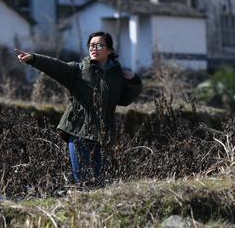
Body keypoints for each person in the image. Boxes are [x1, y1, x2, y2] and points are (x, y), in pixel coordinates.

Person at [16, 31, 142, 184]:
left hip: (102, 134)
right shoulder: (79, 70)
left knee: (98, 180)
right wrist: (34, 59)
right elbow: (55, 66)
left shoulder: (117, 76)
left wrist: (135, 82)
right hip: (78, 130)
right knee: (82, 178)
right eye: (91, 45)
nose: (94, 48)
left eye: (99, 45)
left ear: (110, 50)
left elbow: (124, 100)